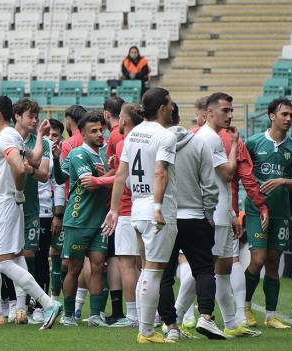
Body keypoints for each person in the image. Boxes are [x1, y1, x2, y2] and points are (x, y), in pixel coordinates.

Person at [0, 95, 62, 331]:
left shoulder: (6, 136)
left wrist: (17, 191)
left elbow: (18, 167)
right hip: (0, 203)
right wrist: (39, 137)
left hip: (3, 206)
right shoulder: (13, 136)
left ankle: (48, 304)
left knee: (4, 263)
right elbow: (34, 160)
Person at [102, 87, 177, 344]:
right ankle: (146, 331)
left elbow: (121, 175)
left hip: (135, 209)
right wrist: (158, 208)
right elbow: (160, 172)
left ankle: (145, 328)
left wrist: (113, 210)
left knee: (146, 269)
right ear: (162, 108)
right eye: (169, 104)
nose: (172, 107)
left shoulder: (133, 135)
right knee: (153, 271)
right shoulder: (165, 136)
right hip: (157, 208)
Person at [158, 103, 227, 340]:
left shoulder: (156, 142)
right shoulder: (199, 143)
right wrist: (208, 213)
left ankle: (171, 326)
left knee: (164, 274)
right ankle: (206, 317)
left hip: (166, 217)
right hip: (195, 217)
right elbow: (210, 185)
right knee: (204, 270)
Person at [193, 92, 260, 337]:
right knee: (209, 269)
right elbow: (228, 174)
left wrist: (232, 213)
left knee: (220, 270)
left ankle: (231, 324)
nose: (230, 115)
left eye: (231, 110)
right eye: (225, 111)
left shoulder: (202, 137)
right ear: (210, 113)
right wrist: (233, 145)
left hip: (218, 211)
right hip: (213, 215)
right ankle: (199, 318)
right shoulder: (212, 139)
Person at [244, 97, 292, 328]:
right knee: (257, 259)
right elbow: (242, 172)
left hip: (280, 213)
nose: (289, 119)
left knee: (272, 261)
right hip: (255, 211)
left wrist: (281, 180)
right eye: (284, 114)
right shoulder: (253, 142)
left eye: (291, 115)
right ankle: (246, 307)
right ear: (272, 116)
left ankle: (270, 316)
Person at [54, 110, 112, 327]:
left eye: (101, 130)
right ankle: (68, 315)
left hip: (100, 221)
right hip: (78, 219)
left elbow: (61, 175)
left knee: (99, 266)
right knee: (74, 268)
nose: (99, 134)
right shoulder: (79, 153)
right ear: (83, 133)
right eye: (94, 131)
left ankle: (96, 315)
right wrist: (107, 175)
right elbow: (89, 182)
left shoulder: (106, 152)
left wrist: (105, 174)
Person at [12, 98, 51, 324]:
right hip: (8, 205)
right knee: (6, 256)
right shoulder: (6, 137)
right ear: (17, 116)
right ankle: (11, 304)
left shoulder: (42, 143)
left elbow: (44, 173)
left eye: (36, 116)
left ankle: (33, 305)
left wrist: (27, 169)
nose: (35, 120)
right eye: (30, 116)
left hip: (30, 207)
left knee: (29, 255)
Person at [106, 103, 144, 328]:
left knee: (127, 265)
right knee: (145, 265)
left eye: (120, 117)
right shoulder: (148, 139)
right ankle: (151, 312)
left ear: (126, 121)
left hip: (127, 210)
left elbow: (121, 178)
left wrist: (114, 209)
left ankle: (132, 315)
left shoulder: (123, 143)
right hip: (145, 207)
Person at [103, 96, 126, 323]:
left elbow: (119, 174)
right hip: (130, 203)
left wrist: (99, 180)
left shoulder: (115, 136)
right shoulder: (126, 134)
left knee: (117, 258)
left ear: (106, 114)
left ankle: (120, 311)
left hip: (118, 204)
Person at [47, 119, 67, 304]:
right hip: (37, 213)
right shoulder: (36, 155)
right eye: (49, 135)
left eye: (55, 135)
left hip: (57, 213)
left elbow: (60, 186)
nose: (51, 138)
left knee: (57, 256)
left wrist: (57, 215)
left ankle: (54, 300)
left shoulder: (61, 157)